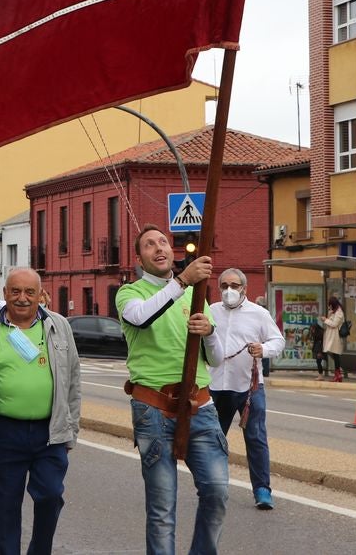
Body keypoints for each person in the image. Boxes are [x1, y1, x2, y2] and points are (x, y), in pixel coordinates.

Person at [115, 225, 225, 555]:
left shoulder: (196, 294)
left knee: (217, 491)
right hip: (154, 409)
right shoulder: (130, 293)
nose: (158, 247)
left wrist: (209, 333)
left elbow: (216, 359)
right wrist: (182, 282)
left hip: (200, 406)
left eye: (163, 241)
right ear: (140, 258)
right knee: (162, 508)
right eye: (149, 245)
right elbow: (140, 318)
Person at [0, 268, 81, 555]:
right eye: (15, 291)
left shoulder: (59, 326)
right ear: (4, 294)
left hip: (49, 433)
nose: (22, 298)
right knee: (6, 507)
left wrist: (70, 428)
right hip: (4, 434)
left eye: (29, 292)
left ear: (40, 295)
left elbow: (73, 380)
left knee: (51, 496)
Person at [208, 269, 284, 510]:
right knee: (213, 439)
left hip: (249, 387)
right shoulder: (210, 312)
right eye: (224, 285)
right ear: (219, 288)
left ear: (245, 288)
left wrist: (263, 349)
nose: (229, 290)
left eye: (235, 285)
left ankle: (262, 489)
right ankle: (214, 486)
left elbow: (278, 341)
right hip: (217, 386)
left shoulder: (259, 314)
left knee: (256, 437)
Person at [321, 296, 345, 382]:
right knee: (334, 354)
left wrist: (325, 320)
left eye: (330, 305)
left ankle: (338, 374)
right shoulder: (333, 311)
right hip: (332, 336)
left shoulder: (339, 312)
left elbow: (334, 324)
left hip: (336, 337)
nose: (329, 306)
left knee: (336, 355)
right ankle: (337, 374)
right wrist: (329, 313)